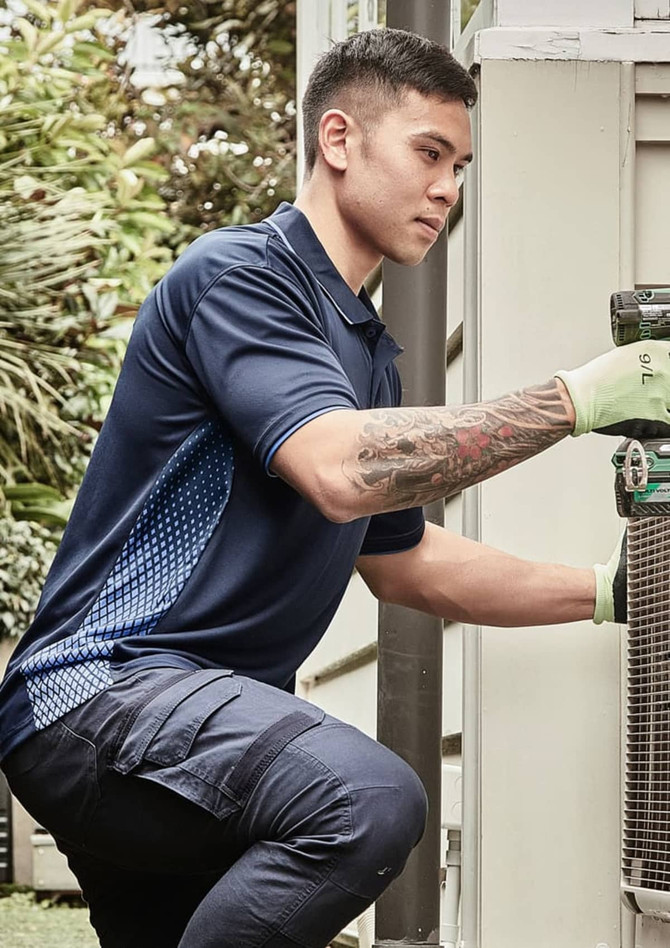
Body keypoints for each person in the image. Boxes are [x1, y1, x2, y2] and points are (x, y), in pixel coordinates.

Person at [0, 26, 660, 948]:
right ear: (339, 140)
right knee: (369, 798)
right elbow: (343, 470)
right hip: (104, 693)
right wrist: (576, 402)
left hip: (184, 735)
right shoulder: (241, 278)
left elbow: (408, 563)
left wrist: (608, 592)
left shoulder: (360, 359)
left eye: (462, 166)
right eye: (429, 153)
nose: (448, 189)